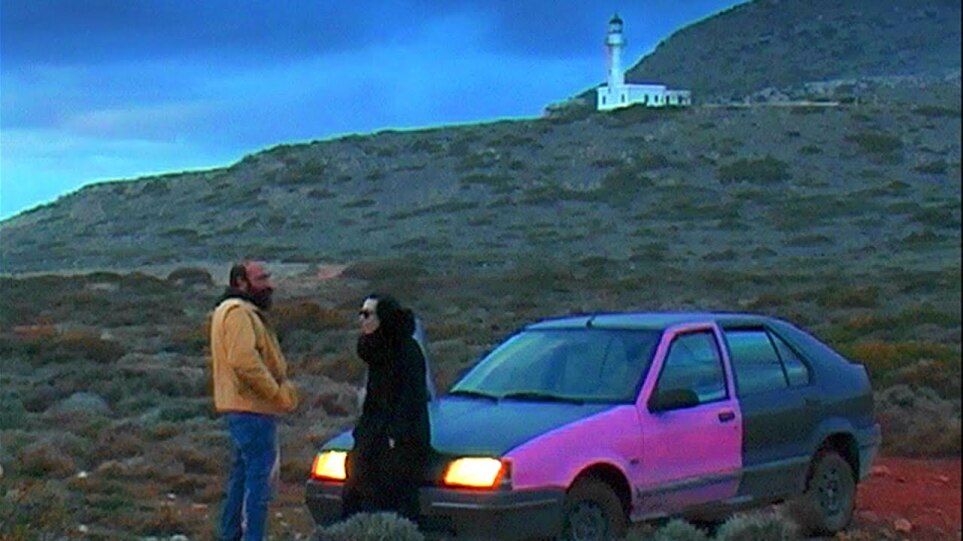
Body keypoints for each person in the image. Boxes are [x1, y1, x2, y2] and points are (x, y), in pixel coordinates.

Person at [209, 260, 299, 541]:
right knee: (258, 483)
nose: (268, 285)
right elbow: (244, 361)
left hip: (243, 410)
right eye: (261, 279)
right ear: (241, 282)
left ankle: (231, 535)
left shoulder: (231, 311)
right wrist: (275, 393)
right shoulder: (238, 313)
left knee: (241, 478)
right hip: (252, 411)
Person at [342, 293, 431, 521]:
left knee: (392, 502)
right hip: (372, 436)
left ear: (383, 317)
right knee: (359, 494)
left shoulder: (406, 350)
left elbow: (411, 398)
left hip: (397, 444)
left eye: (367, 314)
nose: (362, 319)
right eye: (361, 313)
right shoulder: (374, 349)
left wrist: (396, 436)